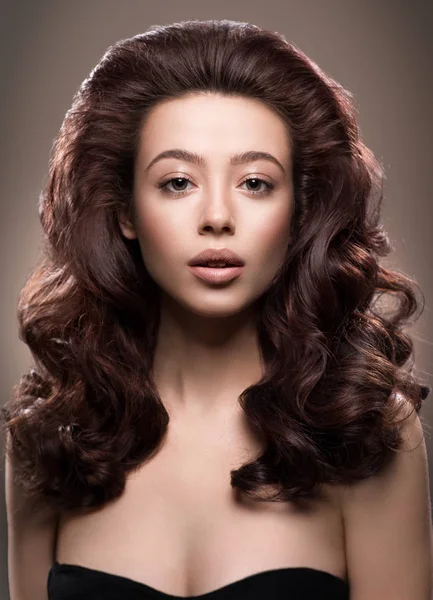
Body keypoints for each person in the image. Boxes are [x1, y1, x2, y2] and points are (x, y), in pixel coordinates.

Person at [2, 18, 432, 600]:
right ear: (126, 211)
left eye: (255, 182)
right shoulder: (53, 439)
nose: (217, 217)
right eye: (178, 182)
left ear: (300, 212)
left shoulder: (366, 433)